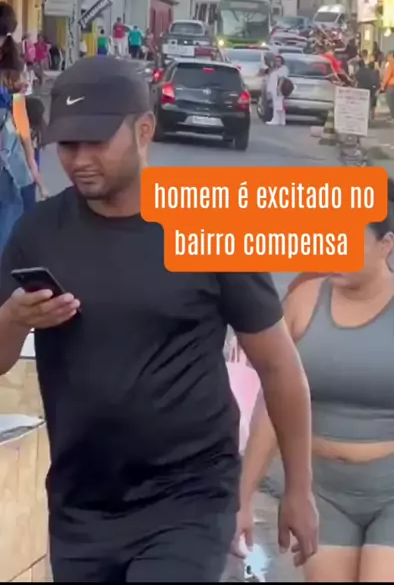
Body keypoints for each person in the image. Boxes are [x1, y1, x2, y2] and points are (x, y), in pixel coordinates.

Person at [0, 55, 318, 583]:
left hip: (188, 499)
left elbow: (280, 367)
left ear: (144, 130)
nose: (79, 160)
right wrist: (14, 319)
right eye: (68, 145)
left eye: (96, 142)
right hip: (82, 506)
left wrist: (300, 490)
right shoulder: (39, 233)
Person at [235, 178, 394, 583]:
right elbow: (273, 409)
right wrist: (242, 499)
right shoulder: (302, 303)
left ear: (386, 244)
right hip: (324, 495)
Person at [0, 4, 47, 253]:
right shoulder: (14, 71)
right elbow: (20, 118)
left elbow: (20, 118)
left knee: (13, 206)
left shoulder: (14, 72)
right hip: (9, 155)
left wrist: (31, 163)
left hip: (9, 155)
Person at [266, 54, 287, 126]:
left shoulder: (283, 69)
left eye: (279, 61)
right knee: (279, 106)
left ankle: (275, 120)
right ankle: (281, 120)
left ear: (282, 62)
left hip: (277, 90)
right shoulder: (275, 69)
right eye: (276, 61)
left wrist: (279, 88)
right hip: (273, 89)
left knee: (277, 106)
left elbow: (282, 79)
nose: (277, 62)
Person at [382, 50, 394, 122]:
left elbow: (387, 76)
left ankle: (393, 117)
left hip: (390, 85)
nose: (387, 57)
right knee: (393, 101)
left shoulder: (391, 64)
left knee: (390, 101)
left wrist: (383, 85)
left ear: (390, 56)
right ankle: (393, 116)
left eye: (388, 55)